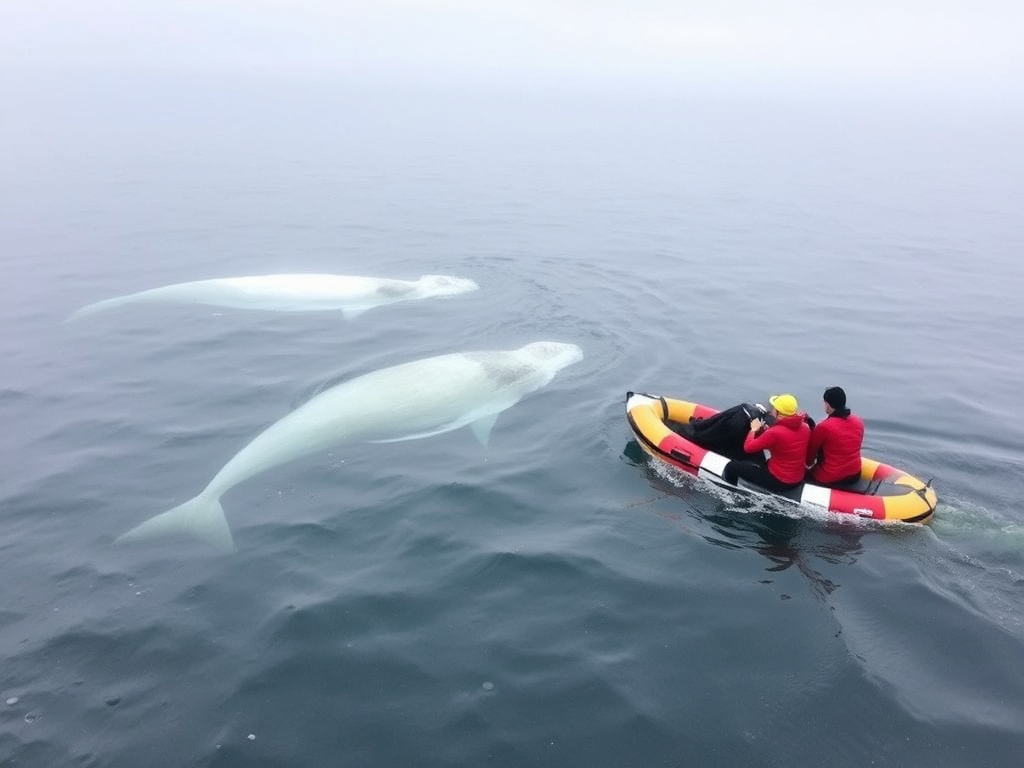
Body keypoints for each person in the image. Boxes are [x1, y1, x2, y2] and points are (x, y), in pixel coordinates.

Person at [722, 393, 812, 493]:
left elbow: (748, 447)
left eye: (773, 408)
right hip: (797, 478)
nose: (771, 410)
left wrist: (753, 430)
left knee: (731, 467)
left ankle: (730, 492)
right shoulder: (805, 427)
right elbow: (784, 444)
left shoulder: (775, 432)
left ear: (778, 412)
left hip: (778, 481)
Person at [805, 386, 864, 486]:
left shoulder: (824, 427)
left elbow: (809, 460)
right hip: (855, 474)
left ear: (827, 405)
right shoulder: (858, 421)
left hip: (830, 478)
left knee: (803, 474)